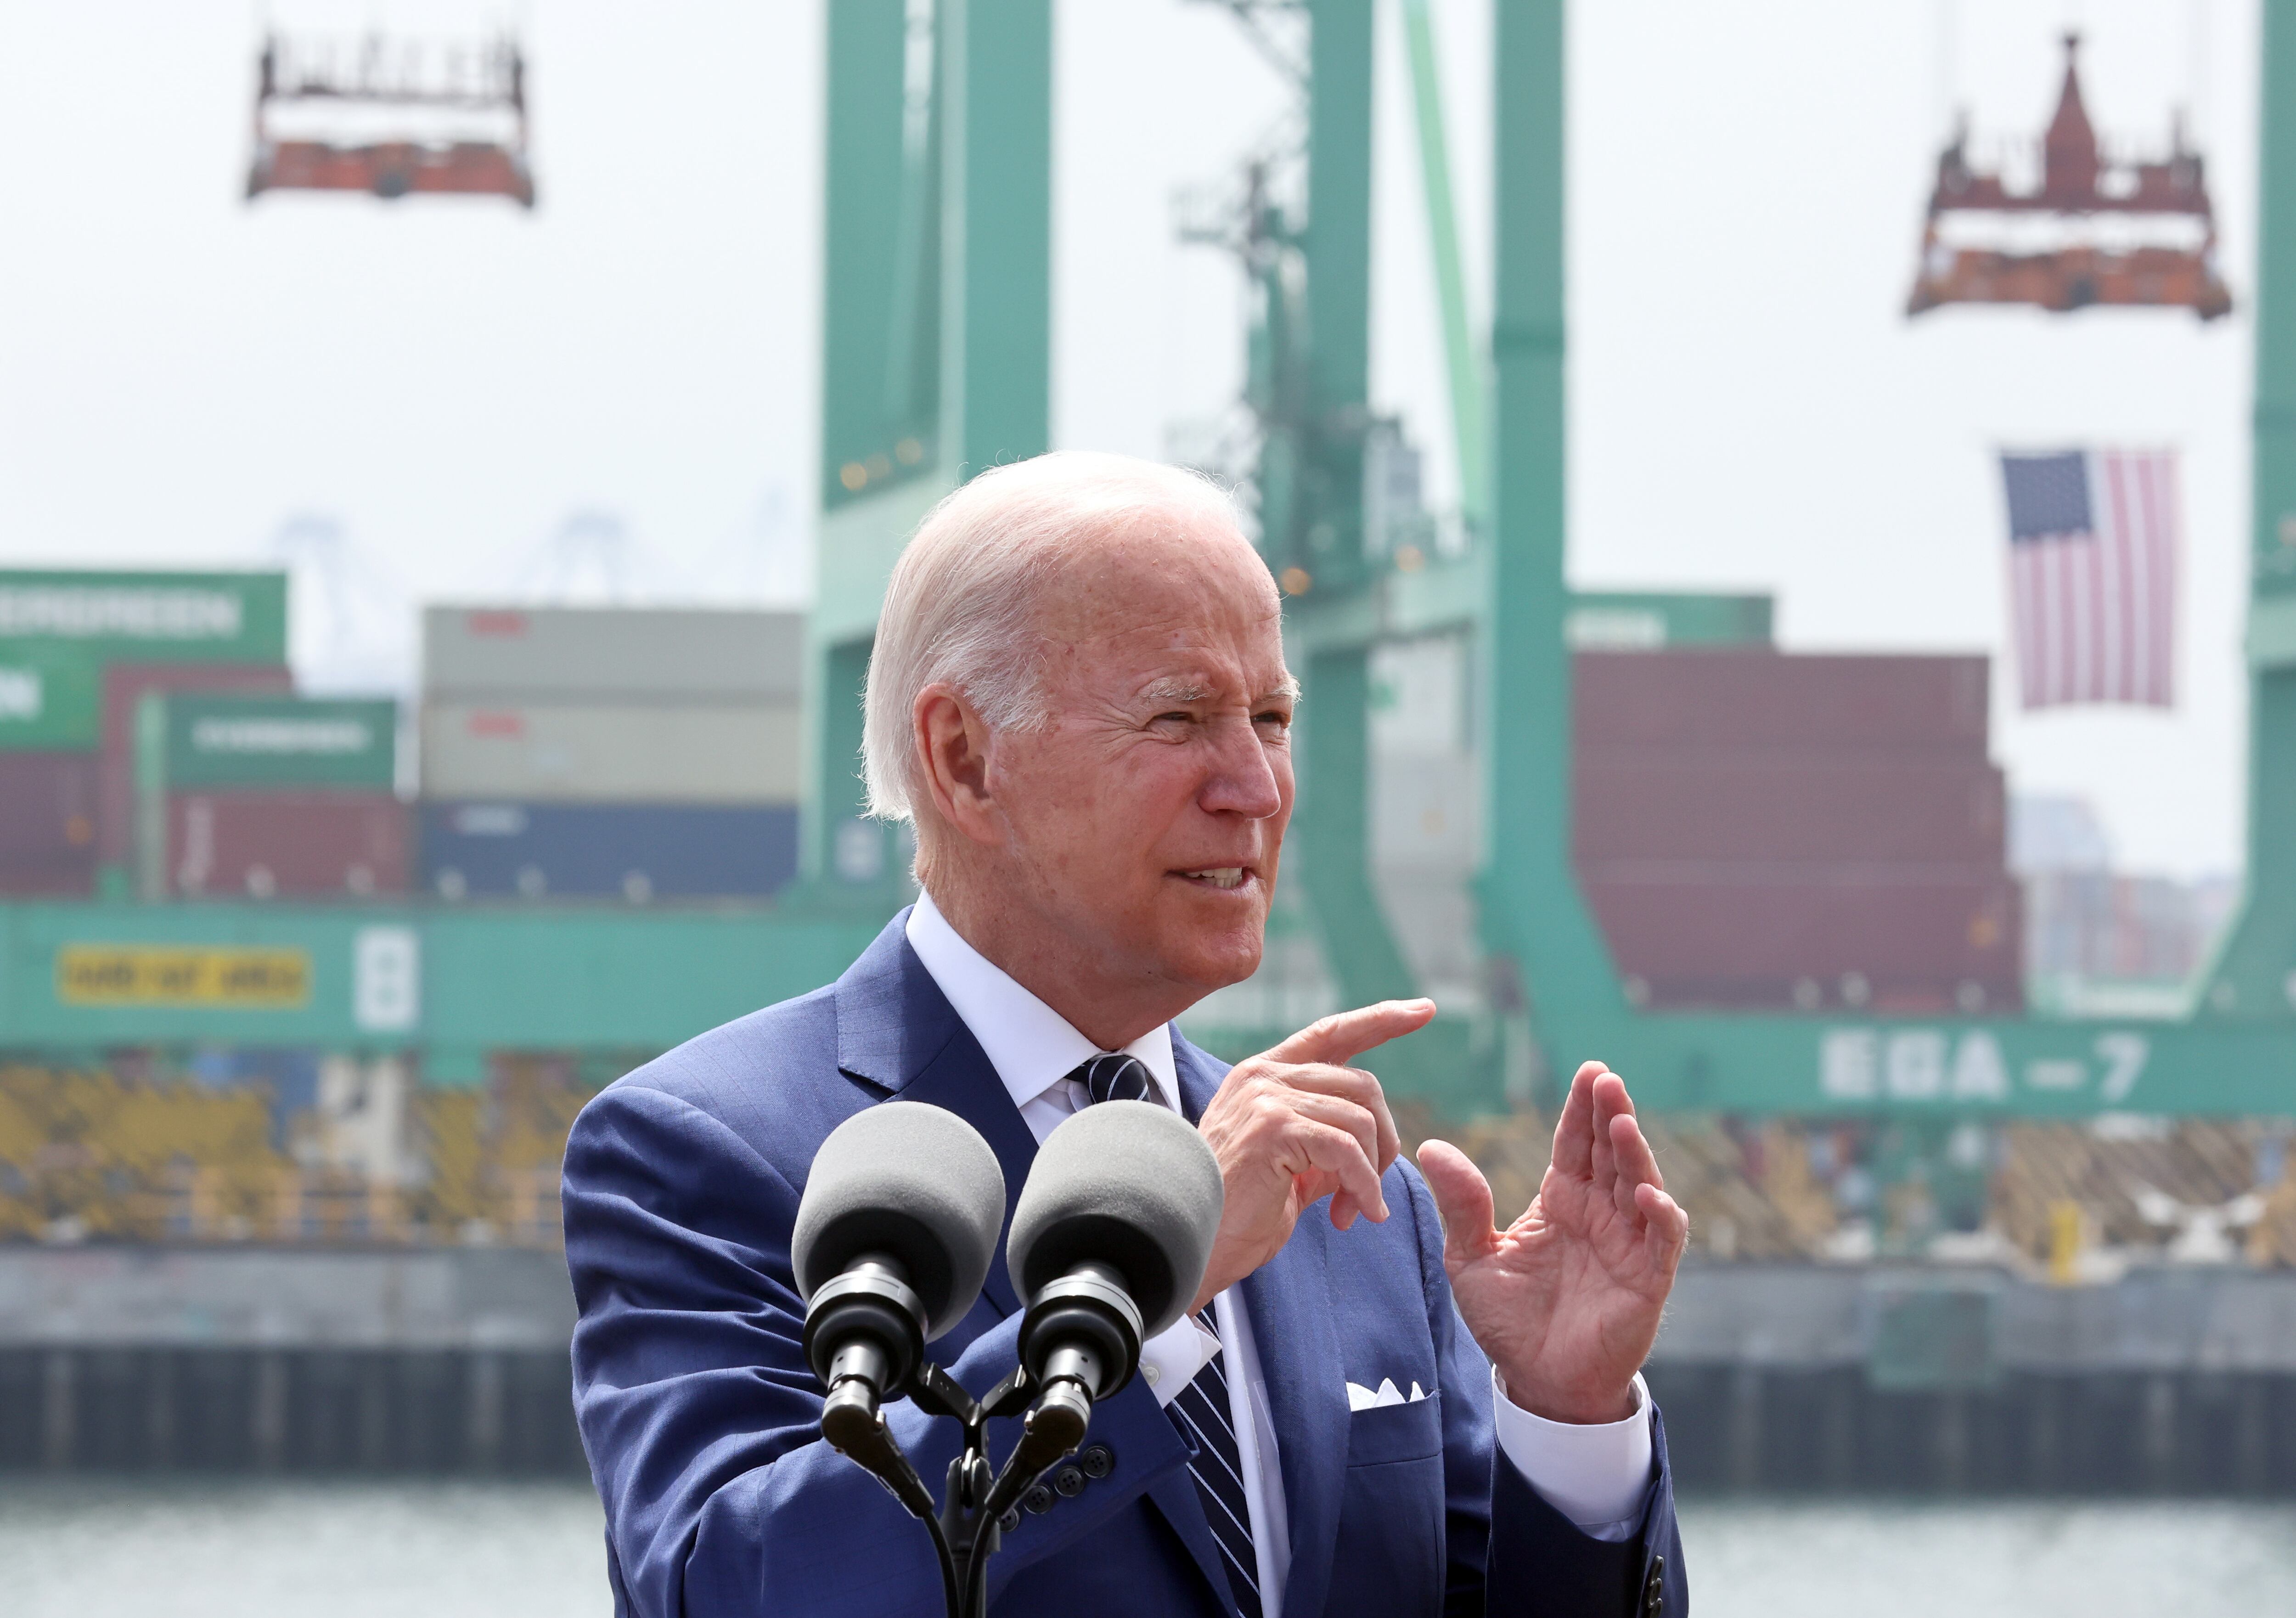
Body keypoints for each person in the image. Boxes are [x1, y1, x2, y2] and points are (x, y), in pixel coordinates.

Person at [562, 451, 1690, 1618]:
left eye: (1271, 717)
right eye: (1180, 717)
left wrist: (1567, 1424)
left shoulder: (1358, 1202)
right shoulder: (705, 1151)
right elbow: (723, 1591)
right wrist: (1149, 1279)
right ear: (965, 758)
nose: (1256, 787)